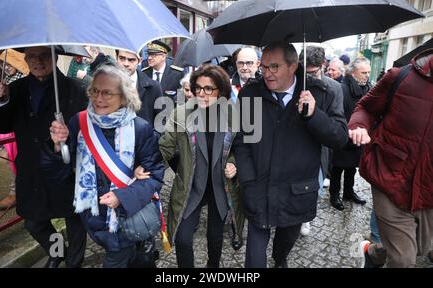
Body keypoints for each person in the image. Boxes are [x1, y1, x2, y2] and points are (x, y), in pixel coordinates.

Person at [234, 42, 348, 268]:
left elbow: (339, 138)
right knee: (254, 257)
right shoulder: (250, 94)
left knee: (283, 248)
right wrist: (247, 180)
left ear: (293, 66)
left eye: (274, 67)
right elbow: (242, 140)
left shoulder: (320, 94)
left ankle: (280, 259)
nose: (267, 73)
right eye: (264, 67)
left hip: (297, 191)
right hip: (259, 187)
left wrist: (314, 115)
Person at [50, 64, 165, 268]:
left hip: (126, 214)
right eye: (94, 91)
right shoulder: (79, 122)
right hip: (94, 216)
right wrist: (59, 147)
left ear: (123, 97)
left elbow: (155, 176)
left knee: (118, 256)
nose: (98, 99)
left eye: (107, 93)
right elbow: (64, 171)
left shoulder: (140, 128)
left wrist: (122, 196)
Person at [0, 46, 88, 268]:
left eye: (44, 56)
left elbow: (86, 133)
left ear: (55, 57)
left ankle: (74, 263)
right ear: (25, 59)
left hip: (64, 169)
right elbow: (1, 124)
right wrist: (0, 102)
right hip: (32, 169)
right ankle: (57, 250)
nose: (38, 61)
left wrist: (68, 134)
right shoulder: (14, 89)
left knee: (74, 219)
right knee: (34, 222)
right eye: (32, 57)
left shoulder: (75, 89)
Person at [349, 49, 433, 268]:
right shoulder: (400, 76)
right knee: (404, 259)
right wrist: (358, 126)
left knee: (419, 248)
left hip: (428, 190)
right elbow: (365, 108)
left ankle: (372, 252)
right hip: (390, 177)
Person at [154, 64, 243, 268]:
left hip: (221, 187)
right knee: (183, 238)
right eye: (198, 88)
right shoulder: (181, 113)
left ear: (221, 91)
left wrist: (233, 164)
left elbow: (240, 149)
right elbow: (166, 146)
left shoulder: (233, 114)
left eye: (208, 88)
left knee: (215, 237)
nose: (202, 93)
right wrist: (147, 163)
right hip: (191, 186)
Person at [298, 45, 345, 235]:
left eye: (312, 72)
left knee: (314, 188)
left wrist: (314, 115)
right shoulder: (293, 82)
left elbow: (338, 129)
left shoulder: (334, 88)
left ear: (322, 65)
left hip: (319, 148)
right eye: (304, 71)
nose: (308, 77)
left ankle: (306, 217)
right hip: (294, 146)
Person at [330, 57, 371, 210]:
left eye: (368, 72)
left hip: (358, 134)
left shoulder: (367, 87)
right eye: (363, 72)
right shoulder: (342, 88)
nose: (367, 75)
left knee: (352, 167)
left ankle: (348, 191)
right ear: (353, 73)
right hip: (343, 133)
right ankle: (334, 194)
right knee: (337, 167)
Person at [0, 49, 30, 209]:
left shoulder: (26, 80)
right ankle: (16, 191)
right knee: (12, 160)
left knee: (22, 160)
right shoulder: (7, 81)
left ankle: (20, 192)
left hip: (24, 129)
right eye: (4, 64)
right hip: (10, 128)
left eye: (10, 63)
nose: (7, 67)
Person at [116, 49, 162, 126]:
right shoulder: (105, 85)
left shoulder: (153, 87)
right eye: (122, 58)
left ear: (139, 60)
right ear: (116, 58)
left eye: (131, 60)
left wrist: (151, 136)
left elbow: (161, 121)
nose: (126, 63)